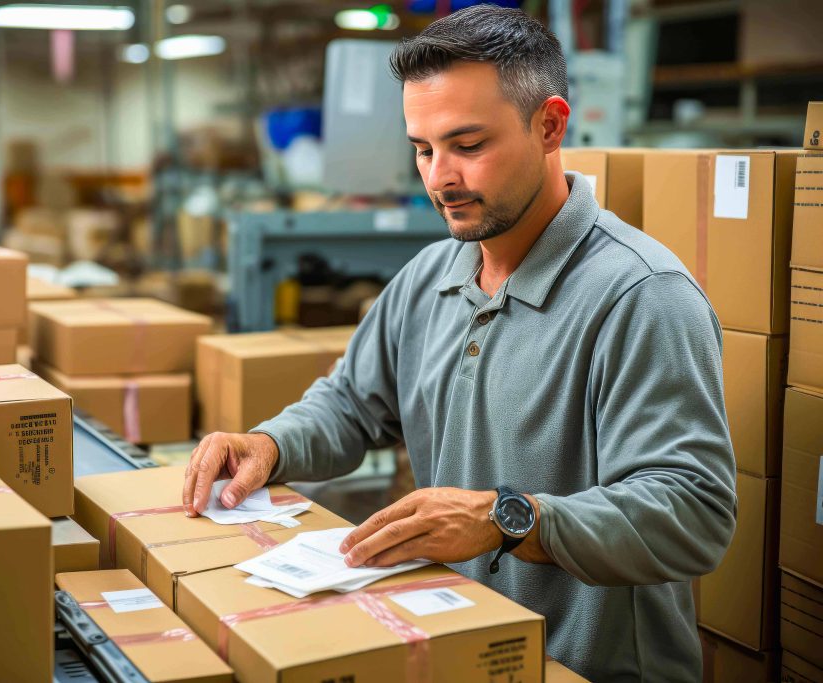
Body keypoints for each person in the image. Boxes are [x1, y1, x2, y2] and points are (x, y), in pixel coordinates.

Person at [182, 5, 736, 681]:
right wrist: (270, 445)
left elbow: (694, 511)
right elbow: (352, 403)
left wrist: (511, 518)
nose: (439, 177)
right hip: (466, 645)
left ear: (550, 125)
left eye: (467, 145)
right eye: (423, 148)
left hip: (587, 667)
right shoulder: (430, 277)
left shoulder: (640, 296)